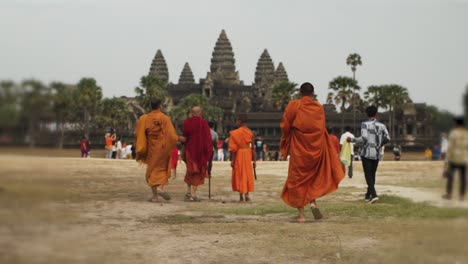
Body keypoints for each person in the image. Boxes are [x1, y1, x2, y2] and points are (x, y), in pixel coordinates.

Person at [280, 82, 345, 223]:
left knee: (298, 179)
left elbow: (285, 125)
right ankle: (313, 202)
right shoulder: (318, 107)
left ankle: (302, 216)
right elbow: (321, 128)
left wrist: (287, 137)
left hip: (299, 148)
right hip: (315, 147)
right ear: (313, 93)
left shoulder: (294, 105)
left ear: (300, 92)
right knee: (313, 176)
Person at [135, 99, 181, 203]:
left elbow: (139, 134)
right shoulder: (164, 118)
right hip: (162, 148)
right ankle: (160, 188)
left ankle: (155, 196)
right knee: (162, 169)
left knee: (151, 171)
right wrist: (177, 140)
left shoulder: (144, 118)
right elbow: (172, 137)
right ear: (160, 106)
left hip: (151, 148)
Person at [349, 105, 390, 204]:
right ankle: (368, 194)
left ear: (367, 114)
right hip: (376, 153)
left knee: (368, 174)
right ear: (376, 113)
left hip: (366, 152)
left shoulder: (365, 124)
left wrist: (353, 140)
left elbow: (364, 139)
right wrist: (379, 144)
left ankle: (374, 194)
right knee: (372, 174)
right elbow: (388, 138)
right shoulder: (382, 125)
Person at [182, 106, 213, 202]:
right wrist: (209, 151)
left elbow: (185, 137)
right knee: (197, 172)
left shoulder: (187, 122)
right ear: (200, 113)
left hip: (189, 150)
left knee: (190, 171)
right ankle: (193, 195)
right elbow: (208, 139)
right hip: (200, 152)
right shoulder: (203, 123)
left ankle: (188, 192)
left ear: (192, 113)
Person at [229, 115, 256, 202]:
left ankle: (241, 195)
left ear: (240, 121)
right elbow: (253, 148)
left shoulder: (235, 133)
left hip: (239, 154)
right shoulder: (250, 132)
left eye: (237, 121)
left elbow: (233, 149)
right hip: (247, 154)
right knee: (247, 173)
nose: (236, 123)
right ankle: (246, 195)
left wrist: (232, 160)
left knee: (240, 173)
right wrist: (254, 161)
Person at [442, 117, 467, 201]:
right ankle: (462, 195)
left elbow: (450, 148)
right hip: (464, 159)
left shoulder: (453, 133)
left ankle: (449, 194)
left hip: (454, 158)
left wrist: (446, 160)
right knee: (463, 177)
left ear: (456, 124)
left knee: (450, 176)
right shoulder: (466, 133)